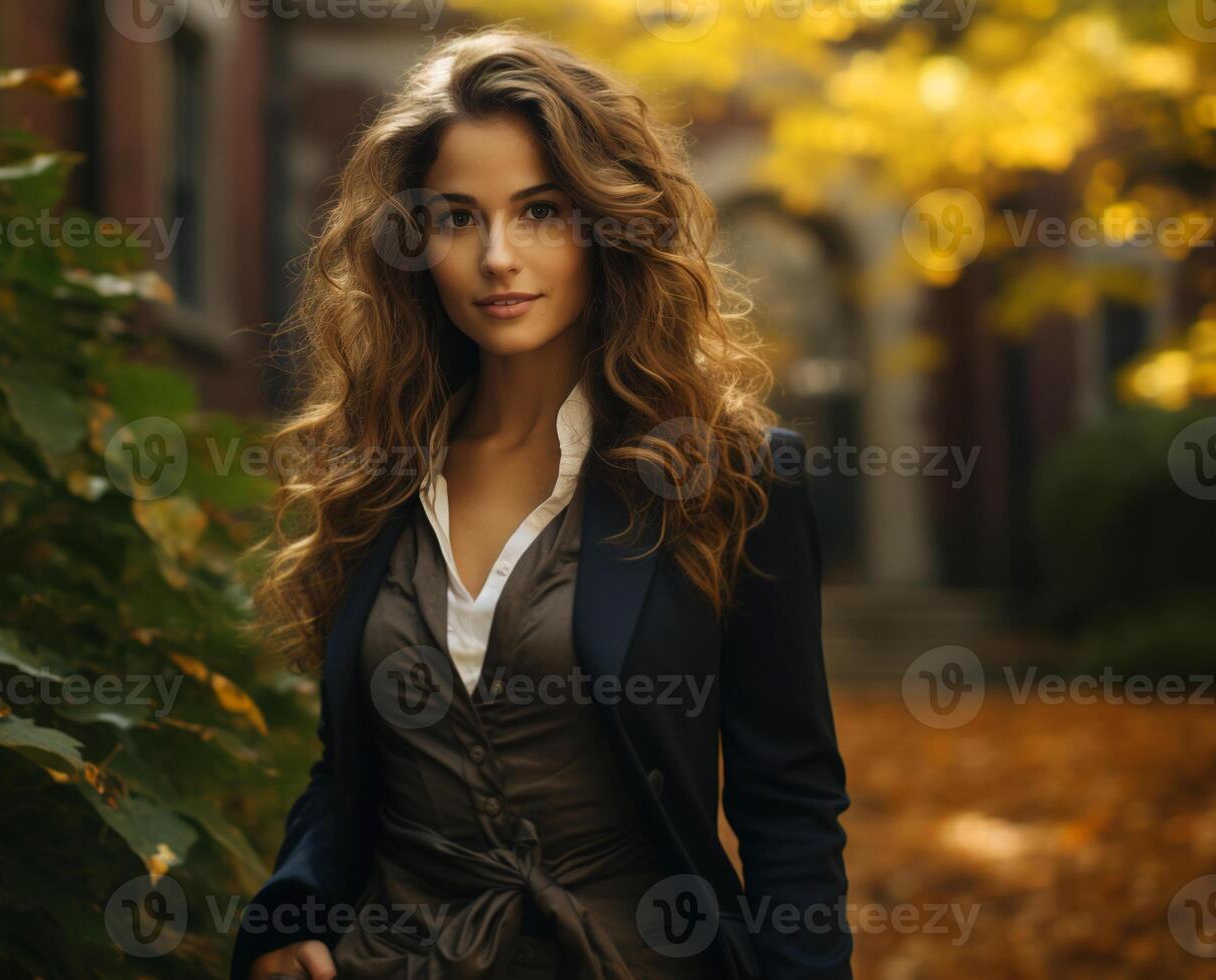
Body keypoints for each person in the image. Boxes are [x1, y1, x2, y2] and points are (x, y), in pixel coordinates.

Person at [232, 23, 852, 980]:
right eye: (455, 217)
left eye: (541, 211)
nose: (497, 257)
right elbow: (349, 771)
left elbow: (788, 803)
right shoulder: (374, 471)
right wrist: (288, 918)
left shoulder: (730, 480)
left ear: (607, 226)